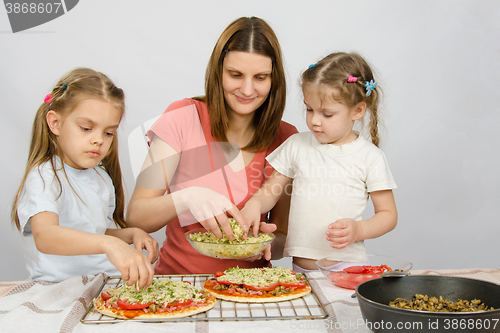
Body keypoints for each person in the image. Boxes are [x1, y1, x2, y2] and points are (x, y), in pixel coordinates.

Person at [126, 17, 298, 274]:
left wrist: (265, 242)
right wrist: (188, 197)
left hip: (251, 289)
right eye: (235, 75)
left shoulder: (286, 137)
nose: (248, 89)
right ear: (219, 72)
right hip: (178, 285)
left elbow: (282, 237)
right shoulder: (182, 117)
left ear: (274, 80)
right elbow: (137, 215)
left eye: (260, 77)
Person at [241, 52, 398, 273]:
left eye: (327, 114)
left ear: (357, 110)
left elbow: (388, 215)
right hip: (301, 270)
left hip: (348, 268)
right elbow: (271, 191)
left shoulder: (369, 157)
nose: (314, 120)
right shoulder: (297, 145)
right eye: (309, 109)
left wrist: (359, 229)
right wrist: (253, 206)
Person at [11, 68, 158, 288]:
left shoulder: (101, 177)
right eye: (86, 128)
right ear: (55, 123)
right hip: (57, 288)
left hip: (100, 285)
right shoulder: (44, 176)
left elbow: (93, 232)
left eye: (108, 133)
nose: (98, 140)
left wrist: (130, 234)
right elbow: (46, 235)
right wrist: (109, 244)